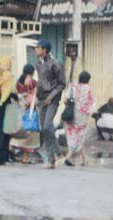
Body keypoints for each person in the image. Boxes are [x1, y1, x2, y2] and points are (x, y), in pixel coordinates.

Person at [35, 39, 66, 169]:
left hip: (52, 100)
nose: (36, 50)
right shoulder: (39, 64)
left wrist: (51, 96)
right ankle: (50, 159)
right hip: (41, 100)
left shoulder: (56, 64)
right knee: (44, 129)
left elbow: (61, 84)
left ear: (45, 50)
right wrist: (37, 97)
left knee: (48, 126)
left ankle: (58, 153)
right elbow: (41, 83)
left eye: (38, 47)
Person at [60, 71, 94, 166]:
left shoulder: (72, 86)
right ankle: (68, 156)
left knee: (73, 136)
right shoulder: (88, 89)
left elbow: (65, 100)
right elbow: (91, 103)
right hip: (82, 117)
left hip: (70, 115)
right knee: (79, 136)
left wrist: (71, 106)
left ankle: (84, 159)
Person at [13, 64, 40, 164]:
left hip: (20, 110)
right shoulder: (32, 82)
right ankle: (25, 157)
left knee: (19, 131)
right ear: (32, 72)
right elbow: (36, 95)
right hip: (29, 111)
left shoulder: (18, 82)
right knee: (29, 133)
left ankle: (12, 149)